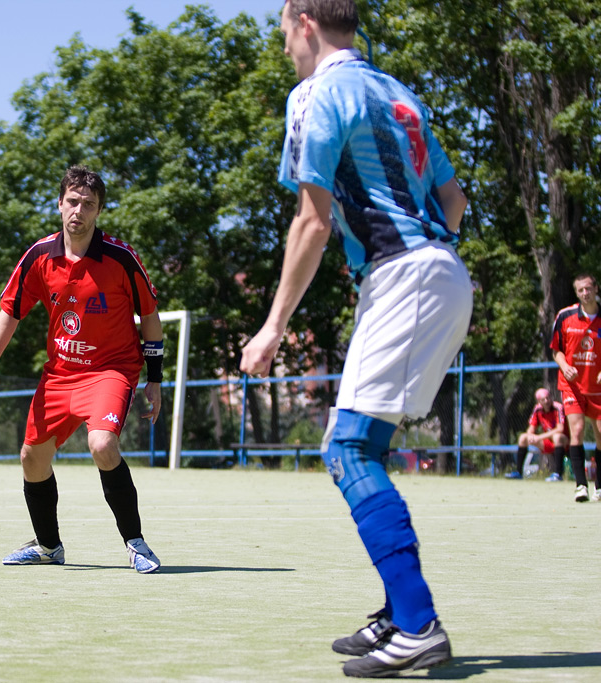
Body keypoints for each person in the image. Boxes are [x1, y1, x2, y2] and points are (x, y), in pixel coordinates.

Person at [240, 0, 472, 676]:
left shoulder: (316, 95)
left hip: (405, 275)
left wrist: (273, 326)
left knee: (345, 449)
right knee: (365, 443)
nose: (285, 45)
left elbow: (312, 222)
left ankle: (418, 622)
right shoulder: (398, 93)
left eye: (284, 30)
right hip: (439, 270)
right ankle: (400, 613)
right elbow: (454, 199)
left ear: (306, 23)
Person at [0, 165, 164, 574]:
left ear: (99, 210)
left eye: (88, 204)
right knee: (31, 459)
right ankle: (48, 546)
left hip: (111, 370)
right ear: (60, 204)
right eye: (72, 201)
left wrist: (155, 378)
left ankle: (135, 542)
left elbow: (149, 316)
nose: (79, 210)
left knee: (102, 445)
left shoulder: (121, 258)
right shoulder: (40, 256)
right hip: (60, 375)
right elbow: (10, 312)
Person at [550, 272, 601, 502]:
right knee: (577, 430)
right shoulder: (565, 316)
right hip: (572, 386)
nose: (585, 293)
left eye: (588, 288)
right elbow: (556, 351)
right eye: (580, 290)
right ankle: (581, 486)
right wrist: (565, 366)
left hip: (597, 389)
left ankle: (599, 486)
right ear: (576, 293)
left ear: (596, 288)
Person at [507, 388, 567, 481]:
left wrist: (539, 437)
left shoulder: (558, 407)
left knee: (557, 437)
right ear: (539, 401)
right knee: (523, 437)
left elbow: (560, 429)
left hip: (564, 442)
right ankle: (518, 472)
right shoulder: (537, 409)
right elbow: (531, 428)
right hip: (548, 442)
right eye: (543, 400)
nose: (546, 401)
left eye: (548, 398)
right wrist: (531, 436)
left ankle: (558, 474)